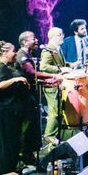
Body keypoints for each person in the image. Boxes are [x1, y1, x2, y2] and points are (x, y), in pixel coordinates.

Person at [0, 41, 35, 175]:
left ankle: (12, 166)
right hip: (3, 111)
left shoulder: (7, 67)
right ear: (5, 52)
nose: (15, 53)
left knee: (14, 139)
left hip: (11, 111)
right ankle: (6, 170)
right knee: (6, 141)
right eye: (13, 51)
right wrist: (16, 79)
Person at [15, 30, 57, 166]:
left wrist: (46, 82)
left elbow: (32, 79)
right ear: (24, 42)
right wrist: (51, 76)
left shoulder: (30, 54)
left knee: (33, 126)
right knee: (26, 127)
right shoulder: (21, 55)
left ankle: (30, 154)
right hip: (24, 97)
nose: (37, 40)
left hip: (30, 95)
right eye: (33, 38)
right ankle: (23, 156)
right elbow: (31, 73)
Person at [38, 27, 68, 145]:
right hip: (51, 85)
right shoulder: (48, 50)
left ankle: (55, 134)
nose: (62, 36)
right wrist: (60, 69)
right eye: (60, 34)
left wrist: (71, 65)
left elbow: (62, 64)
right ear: (54, 37)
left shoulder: (57, 48)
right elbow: (43, 67)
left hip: (58, 84)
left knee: (59, 110)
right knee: (54, 111)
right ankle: (49, 135)